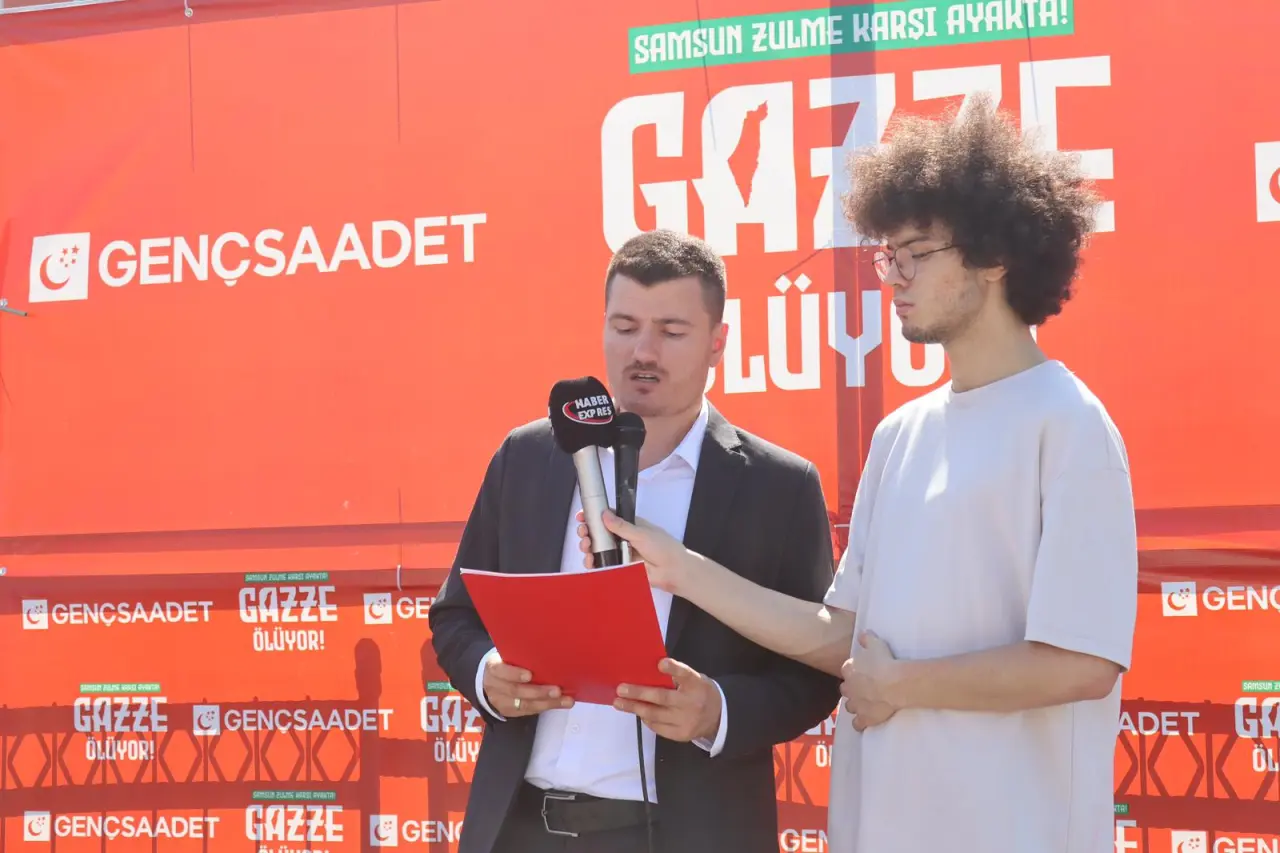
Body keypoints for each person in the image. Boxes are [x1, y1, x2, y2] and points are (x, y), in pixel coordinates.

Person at [580, 95, 1139, 853]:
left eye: (917, 253)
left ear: (995, 256)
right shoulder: (900, 435)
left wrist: (905, 685)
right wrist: (679, 569)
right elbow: (841, 635)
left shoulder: (1070, 425)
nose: (894, 276)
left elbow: (1082, 662)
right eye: (888, 255)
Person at [428, 228, 842, 853]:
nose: (643, 352)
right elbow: (456, 616)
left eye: (672, 332)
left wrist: (718, 710)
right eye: (624, 327)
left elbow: (816, 671)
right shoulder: (529, 456)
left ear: (718, 342)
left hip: (686, 834)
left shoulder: (778, 485)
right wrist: (490, 676)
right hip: (518, 827)